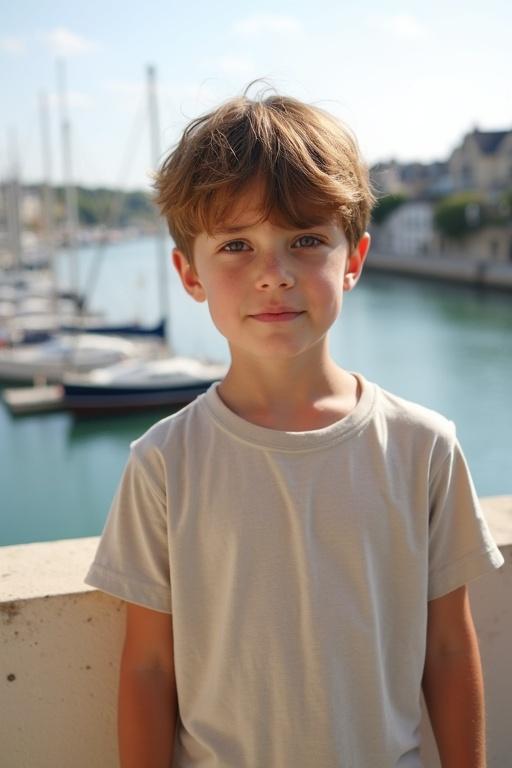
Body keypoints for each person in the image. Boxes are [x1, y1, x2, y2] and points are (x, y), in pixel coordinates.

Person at [85, 91, 504, 768]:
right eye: (237, 246)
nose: (273, 275)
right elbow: (148, 670)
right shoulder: (164, 462)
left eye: (306, 241)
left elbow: (450, 650)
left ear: (354, 259)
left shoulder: (424, 446)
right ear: (189, 273)